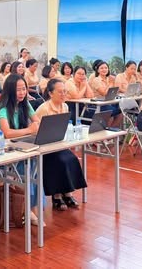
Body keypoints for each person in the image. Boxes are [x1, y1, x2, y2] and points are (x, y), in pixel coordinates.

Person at [0, 74, 41, 225]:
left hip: (19, 147)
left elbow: (37, 122)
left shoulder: (25, 105)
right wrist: (29, 130)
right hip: (3, 152)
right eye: (18, 90)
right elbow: (6, 133)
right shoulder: (2, 108)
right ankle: (27, 208)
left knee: (35, 165)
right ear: (9, 90)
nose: (22, 93)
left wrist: (34, 127)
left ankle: (31, 207)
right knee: (29, 167)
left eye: (24, 89)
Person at [35, 78, 87, 210]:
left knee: (72, 158)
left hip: (58, 143)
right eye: (60, 92)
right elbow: (37, 131)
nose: (63, 94)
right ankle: (56, 195)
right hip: (45, 147)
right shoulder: (43, 109)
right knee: (59, 161)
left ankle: (68, 193)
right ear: (50, 93)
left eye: (65, 91)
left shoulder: (65, 106)